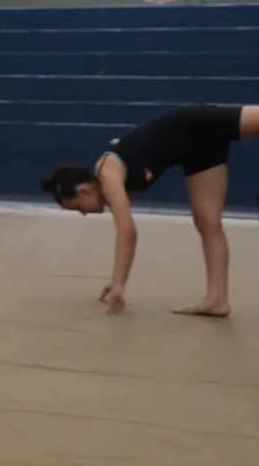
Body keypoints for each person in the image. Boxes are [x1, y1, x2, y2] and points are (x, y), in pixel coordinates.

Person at [41, 104, 257, 317]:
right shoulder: (109, 177)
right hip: (198, 152)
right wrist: (118, 280)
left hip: (196, 123)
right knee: (207, 221)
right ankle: (216, 300)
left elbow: (127, 231)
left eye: (78, 208)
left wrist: (118, 283)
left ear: (85, 190)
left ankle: (215, 299)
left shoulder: (108, 174)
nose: (84, 214)